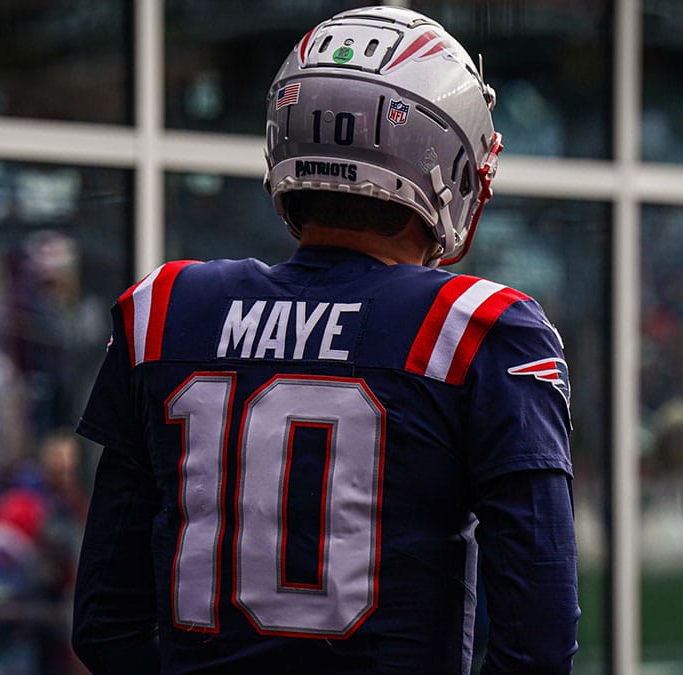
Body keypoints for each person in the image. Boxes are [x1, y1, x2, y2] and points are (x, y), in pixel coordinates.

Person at [71, 6, 579, 674]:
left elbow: (105, 624)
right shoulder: (478, 331)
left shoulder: (165, 310)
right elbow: (538, 642)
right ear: (447, 167)